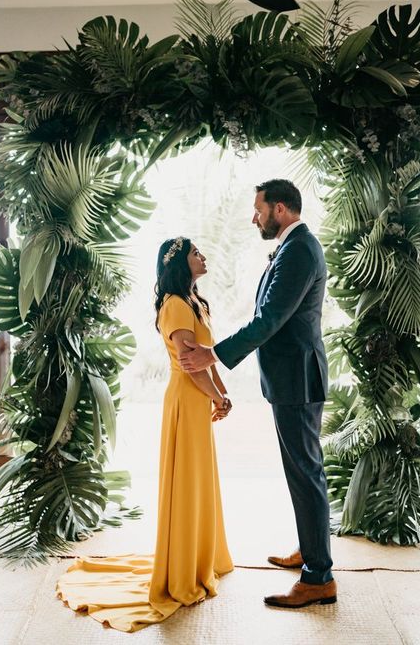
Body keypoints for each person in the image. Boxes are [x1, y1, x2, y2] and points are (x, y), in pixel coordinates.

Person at [56, 237, 233, 632]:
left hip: (200, 397)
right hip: (186, 401)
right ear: (178, 263)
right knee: (187, 480)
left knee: (201, 479)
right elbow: (190, 365)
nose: (203, 256)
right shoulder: (173, 305)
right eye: (195, 253)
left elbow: (208, 354)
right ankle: (183, 567)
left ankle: (202, 556)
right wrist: (216, 397)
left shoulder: (196, 303)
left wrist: (223, 395)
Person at [179, 178, 337, 608]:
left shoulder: (300, 249)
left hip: (298, 379)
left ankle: (318, 577)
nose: (254, 217)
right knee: (303, 472)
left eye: (259, 209)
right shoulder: (294, 247)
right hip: (293, 378)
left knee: (306, 474)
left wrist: (213, 354)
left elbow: (270, 319)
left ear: (280, 209)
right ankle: (311, 552)